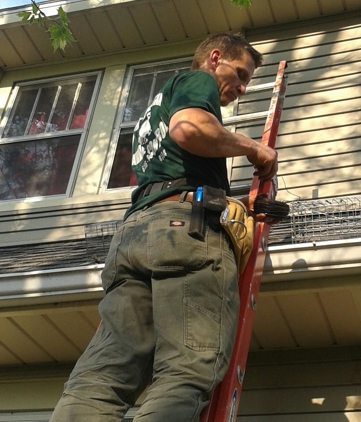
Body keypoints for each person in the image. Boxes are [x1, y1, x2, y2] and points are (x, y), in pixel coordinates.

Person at [50, 33, 278, 422]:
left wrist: (237, 203)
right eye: (240, 74)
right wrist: (253, 148)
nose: (242, 87)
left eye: (248, 81)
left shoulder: (152, 111)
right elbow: (189, 130)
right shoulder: (196, 82)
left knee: (103, 377)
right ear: (215, 58)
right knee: (188, 368)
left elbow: (176, 175)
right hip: (184, 232)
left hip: (136, 233)